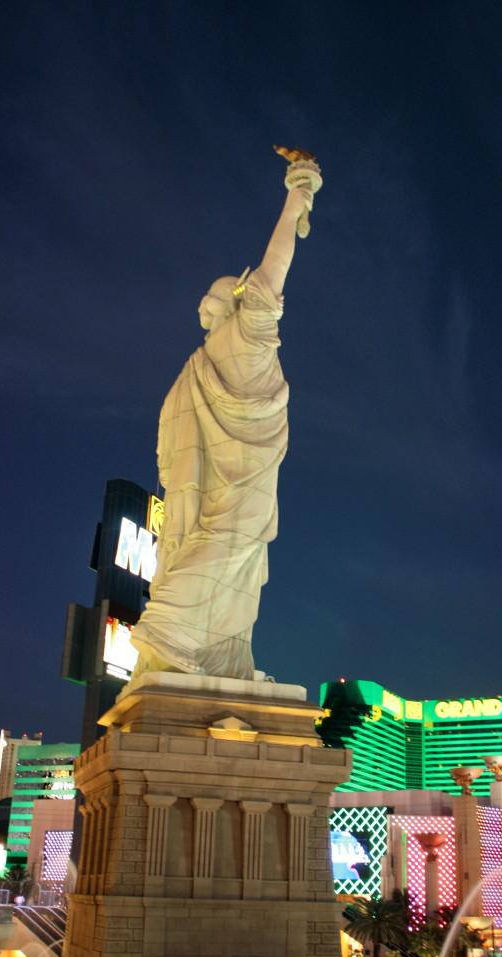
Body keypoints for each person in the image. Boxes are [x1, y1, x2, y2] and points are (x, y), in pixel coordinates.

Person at [131, 181, 315, 680]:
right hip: (244, 482)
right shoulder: (237, 343)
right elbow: (273, 270)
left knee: (232, 552)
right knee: (232, 545)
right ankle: (167, 627)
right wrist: (294, 204)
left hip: (216, 484)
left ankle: (222, 657)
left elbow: (271, 272)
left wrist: (295, 203)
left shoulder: (210, 357)